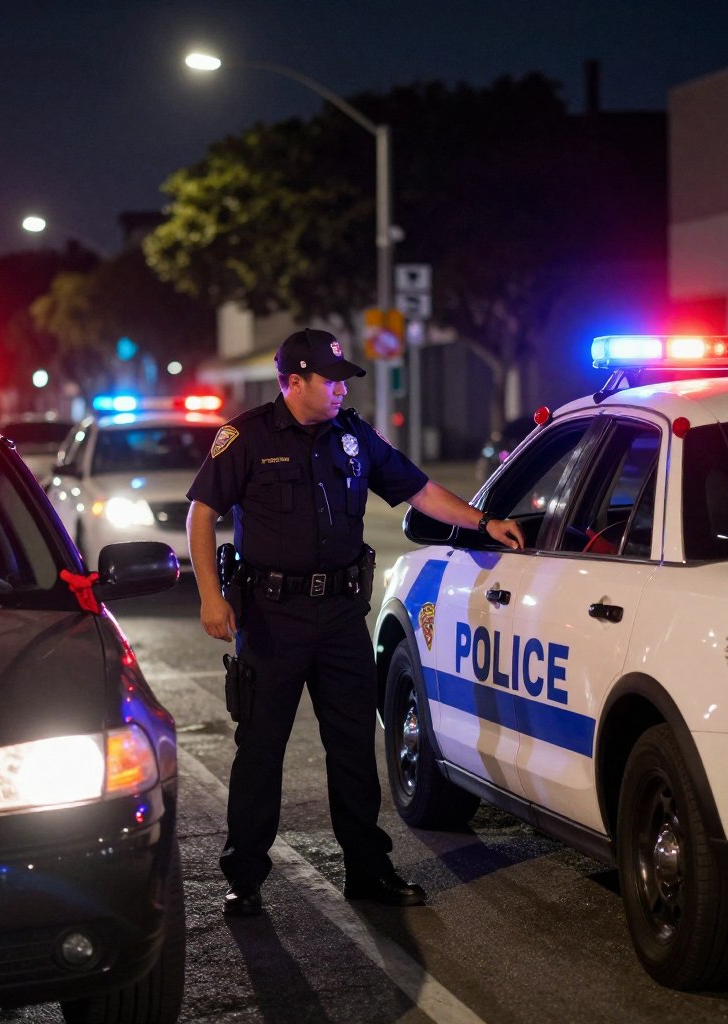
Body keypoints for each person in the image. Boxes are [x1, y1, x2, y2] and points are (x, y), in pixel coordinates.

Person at [185, 327, 524, 917]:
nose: (342, 389)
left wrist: (481, 521)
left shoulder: (353, 435)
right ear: (294, 382)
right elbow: (201, 513)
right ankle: (245, 875)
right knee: (261, 748)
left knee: (353, 748)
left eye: (345, 380)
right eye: (331, 380)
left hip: (341, 615)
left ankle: (368, 871)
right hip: (270, 617)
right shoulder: (247, 435)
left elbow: (419, 490)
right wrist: (211, 599)